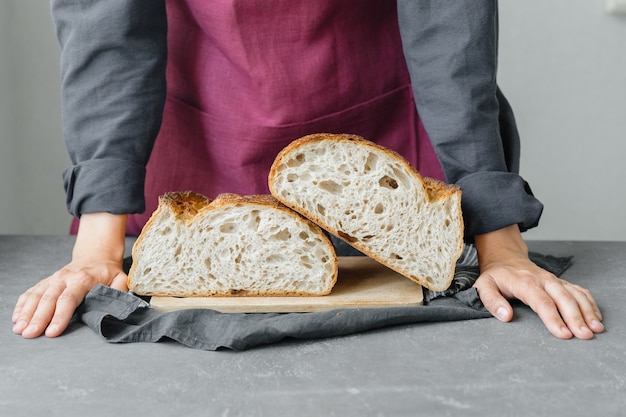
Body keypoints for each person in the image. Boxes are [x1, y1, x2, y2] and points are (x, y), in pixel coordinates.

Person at [12, 0, 603, 340]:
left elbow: (448, 17)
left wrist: (497, 244)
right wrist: (97, 249)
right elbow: (107, 25)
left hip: (393, 134)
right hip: (193, 142)